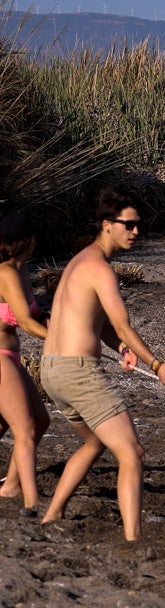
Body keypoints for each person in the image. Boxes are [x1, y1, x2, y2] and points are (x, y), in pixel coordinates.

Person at [40, 189, 165, 540]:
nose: (136, 232)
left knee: (94, 443)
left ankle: (52, 514)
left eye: (139, 225)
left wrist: (121, 348)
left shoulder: (79, 261)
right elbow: (122, 324)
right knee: (131, 451)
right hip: (78, 373)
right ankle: (133, 538)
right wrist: (156, 364)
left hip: (52, 369)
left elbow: (101, 326)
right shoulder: (100, 269)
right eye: (129, 225)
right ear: (107, 225)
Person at [0, 215, 51, 513]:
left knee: (40, 422)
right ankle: (21, 493)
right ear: (26, 242)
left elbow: (35, 315)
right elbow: (23, 321)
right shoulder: (5, 273)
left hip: (11, 357)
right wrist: (59, 341)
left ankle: (11, 485)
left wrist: (52, 322)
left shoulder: (21, 271)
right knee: (25, 428)